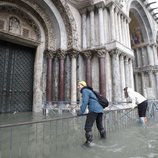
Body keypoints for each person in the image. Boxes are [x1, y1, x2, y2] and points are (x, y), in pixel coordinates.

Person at [77, 81, 106, 147]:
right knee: (100, 126)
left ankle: (89, 143)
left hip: (94, 110)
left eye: (79, 85)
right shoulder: (90, 91)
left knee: (87, 127)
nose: (78, 87)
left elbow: (85, 102)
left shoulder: (85, 90)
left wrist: (81, 112)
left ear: (82, 85)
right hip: (100, 110)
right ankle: (104, 139)